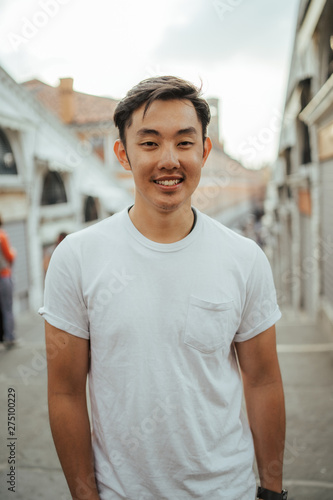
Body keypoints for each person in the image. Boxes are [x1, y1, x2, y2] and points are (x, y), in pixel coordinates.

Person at [40, 76, 287, 500]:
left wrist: (272, 489)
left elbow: (262, 379)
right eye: (150, 143)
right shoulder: (76, 258)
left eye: (184, 143)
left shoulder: (244, 259)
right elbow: (64, 392)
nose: (168, 160)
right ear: (123, 153)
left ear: (205, 151)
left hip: (230, 490)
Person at [0, 216, 16, 348]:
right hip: (3, 276)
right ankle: (10, 337)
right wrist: (13, 253)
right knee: (7, 308)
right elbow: (9, 256)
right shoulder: (2, 236)